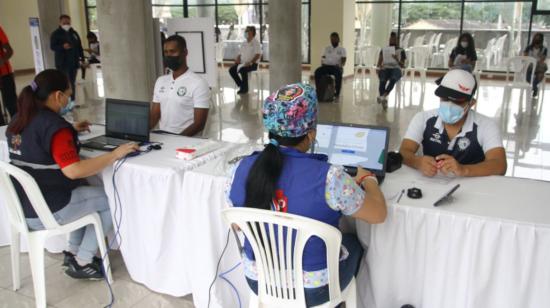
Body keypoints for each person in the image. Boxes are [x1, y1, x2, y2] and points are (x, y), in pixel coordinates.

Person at [227, 83, 387, 307]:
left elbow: (236, 224)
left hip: (258, 279)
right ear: (311, 134)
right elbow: (379, 214)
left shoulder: (240, 168)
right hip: (314, 290)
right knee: (355, 243)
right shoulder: (330, 178)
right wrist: (368, 180)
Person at [5, 69, 138, 279]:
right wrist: (115, 154)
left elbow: (36, 139)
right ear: (58, 96)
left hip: (24, 208)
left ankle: (72, 252)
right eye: (68, 94)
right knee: (111, 197)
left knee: (87, 197)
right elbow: (74, 171)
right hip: (49, 208)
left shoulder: (17, 120)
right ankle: (83, 260)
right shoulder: (55, 128)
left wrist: (70, 129)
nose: (69, 99)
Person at [400, 69, 507, 177]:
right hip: (430, 184)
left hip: (473, 187)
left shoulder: (486, 126)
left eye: (457, 101)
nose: (450, 105)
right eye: (445, 98)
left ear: (471, 103)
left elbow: (499, 165)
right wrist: (417, 162)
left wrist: (464, 170)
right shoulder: (423, 119)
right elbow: (404, 152)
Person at [150, 35, 210, 136]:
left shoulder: (198, 83)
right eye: (166, 52)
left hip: (187, 144)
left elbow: (199, 124)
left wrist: (176, 140)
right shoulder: (160, 81)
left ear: (185, 52)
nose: (169, 55)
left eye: (173, 51)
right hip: (163, 140)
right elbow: (154, 116)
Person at [50, 14, 84, 101]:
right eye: (64, 22)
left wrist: (82, 59)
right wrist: (62, 47)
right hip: (63, 64)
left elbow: (79, 46)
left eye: (68, 22)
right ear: (60, 22)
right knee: (65, 83)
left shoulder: (74, 33)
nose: (66, 24)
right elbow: (52, 47)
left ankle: (72, 101)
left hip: (74, 63)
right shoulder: (56, 34)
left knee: (72, 83)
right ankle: (65, 102)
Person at [376, 32, 406, 109]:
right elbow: (379, 62)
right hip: (385, 68)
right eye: (391, 39)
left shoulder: (401, 50)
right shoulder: (384, 49)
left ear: (397, 40)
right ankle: (383, 100)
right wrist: (379, 67)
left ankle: (383, 96)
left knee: (393, 79)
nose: (392, 41)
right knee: (382, 80)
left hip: (396, 68)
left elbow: (403, 65)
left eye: (394, 39)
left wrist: (397, 59)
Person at [228, 26, 261, 94]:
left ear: (251, 32)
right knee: (231, 70)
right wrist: (237, 59)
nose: (245, 32)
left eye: (247, 31)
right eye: (245, 31)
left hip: (252, 64)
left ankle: (245, 89)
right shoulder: (244, 42)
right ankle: (241, 85)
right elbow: (240, 53)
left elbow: (258, 55)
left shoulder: (256, 42)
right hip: (242, 63)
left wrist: (251, 62)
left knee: (243, 70)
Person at [315, 32, 347, 98]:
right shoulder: (326, 48)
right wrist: (322, 63)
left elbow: (344, 59)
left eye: (335, 39)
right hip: (326, 66)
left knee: (338, 74)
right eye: (331, 39)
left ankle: (337, 92)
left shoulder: (342, 49)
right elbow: (323, 57)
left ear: (338, 39)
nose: (333, 41)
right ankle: (319, 90)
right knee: (317, 72)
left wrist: (341, 65)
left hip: (336, 67)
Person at [0, 25, 17, 125]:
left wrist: (2, 61)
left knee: (11, 104)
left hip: (4, 74)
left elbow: (9, 51)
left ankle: (18, 127)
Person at [523, 33, 548, 99]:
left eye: (539, 38)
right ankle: (535, 87)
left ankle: (534, 85)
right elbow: (524, 57)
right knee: (527, 77)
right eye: (536, 38)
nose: (537, 40)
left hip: (538, 66)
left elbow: (543, 59)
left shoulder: (544, 49)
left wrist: (539, 56)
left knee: (540, 73)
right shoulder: (529, 47)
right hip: (529, 65)